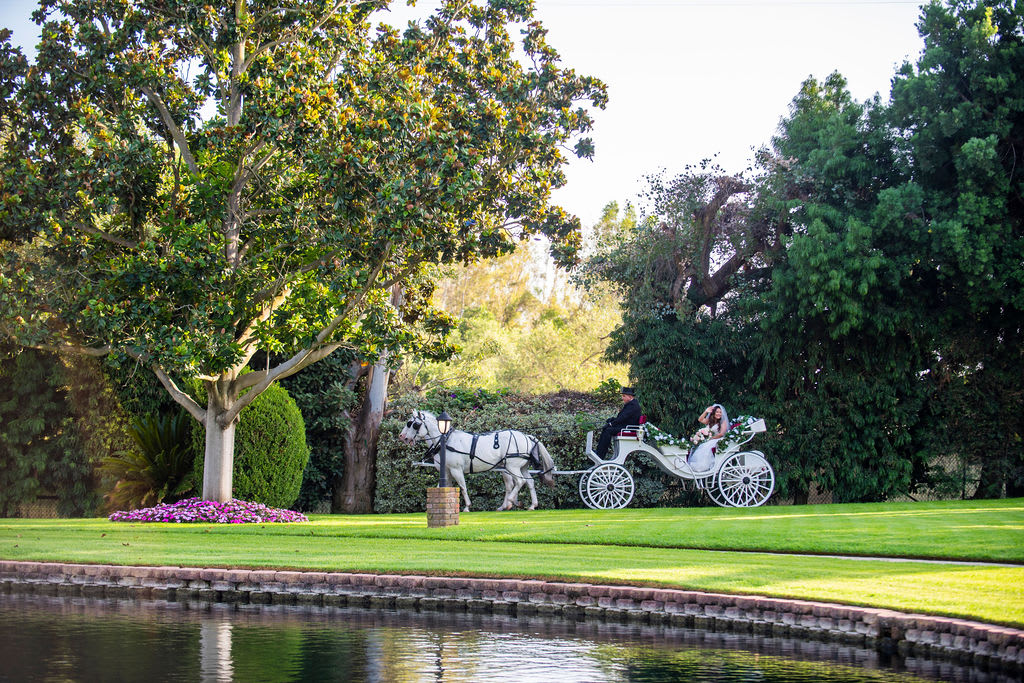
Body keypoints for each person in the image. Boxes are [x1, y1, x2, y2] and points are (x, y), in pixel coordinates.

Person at [593, 387, 642, 459]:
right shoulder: (631, 404)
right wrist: (612, 420)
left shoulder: (632, 406)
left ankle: (600, 454)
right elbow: (622, 417)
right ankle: (599, 452)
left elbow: (622, 418)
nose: (622, 398)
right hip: (626, 426)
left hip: (628, 428)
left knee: (607, 430)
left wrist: (611, 423)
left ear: (630, 396)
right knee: (607, 429)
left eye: (624, 396)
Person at [688, 403, 729, 471]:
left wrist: (710, 438)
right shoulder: (710, 421)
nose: (719, 414)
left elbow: (721, 434)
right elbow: (700, 419)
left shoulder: (723, 422)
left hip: (718, 439)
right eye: (717, 412)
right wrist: (706, 411)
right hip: (710, 439)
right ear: (714, 413)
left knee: (705, 447)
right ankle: (697, 465)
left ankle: (703, 466)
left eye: (720, 412)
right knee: (701, 446)